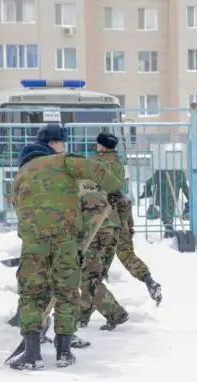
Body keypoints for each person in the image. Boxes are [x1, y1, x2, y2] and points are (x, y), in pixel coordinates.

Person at [8, 124, 124, 371]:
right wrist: (114, 189)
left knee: (31, 294)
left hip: (33, 244)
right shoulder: (64, 162)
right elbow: (99, 171)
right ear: (51, 145)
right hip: (65, 241)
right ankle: (64, 353)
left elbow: (19, 214)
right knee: (67, 292)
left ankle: (32, 354)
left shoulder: (19, 177)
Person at [77, 132, 131, 331]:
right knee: (95, 274)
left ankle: (115, 313)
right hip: (113, 224)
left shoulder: (94, 166)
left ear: (100, 146)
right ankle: (81, 316)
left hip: (96, 223)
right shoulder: (119, 165)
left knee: (88, 276)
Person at [94, 191, 162, 309]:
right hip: (120, 224)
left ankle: (95, 302)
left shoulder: (92, 186)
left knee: (94, 264)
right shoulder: (113, 186)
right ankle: (149, 281)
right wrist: (129, 228)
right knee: (128, 256)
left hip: (101, 227)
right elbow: (126, 203)